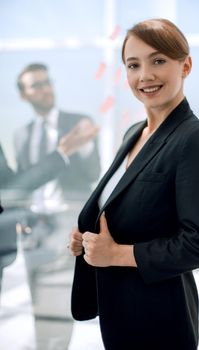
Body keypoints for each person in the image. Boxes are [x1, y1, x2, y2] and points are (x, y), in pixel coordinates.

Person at [69, 18, 199, 350]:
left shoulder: (194, 139)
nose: (144, 76)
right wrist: (88, 235)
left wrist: (116, 254)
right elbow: (131, 208)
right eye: (133, 65)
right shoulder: (134, 133)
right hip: (120, 311)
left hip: (159, 319)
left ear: (186, 65)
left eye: (158, 61)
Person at [14, 63, 101, 350]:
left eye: (47, 82)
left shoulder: (78, 122)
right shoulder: (22, 134)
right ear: (24, 95)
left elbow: (92, 173)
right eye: (36, 85)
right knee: (38, 298)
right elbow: (24, 183)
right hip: (34, 226)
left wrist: (84, 145)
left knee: (62, 300)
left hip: (66, 225)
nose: (45, 88)